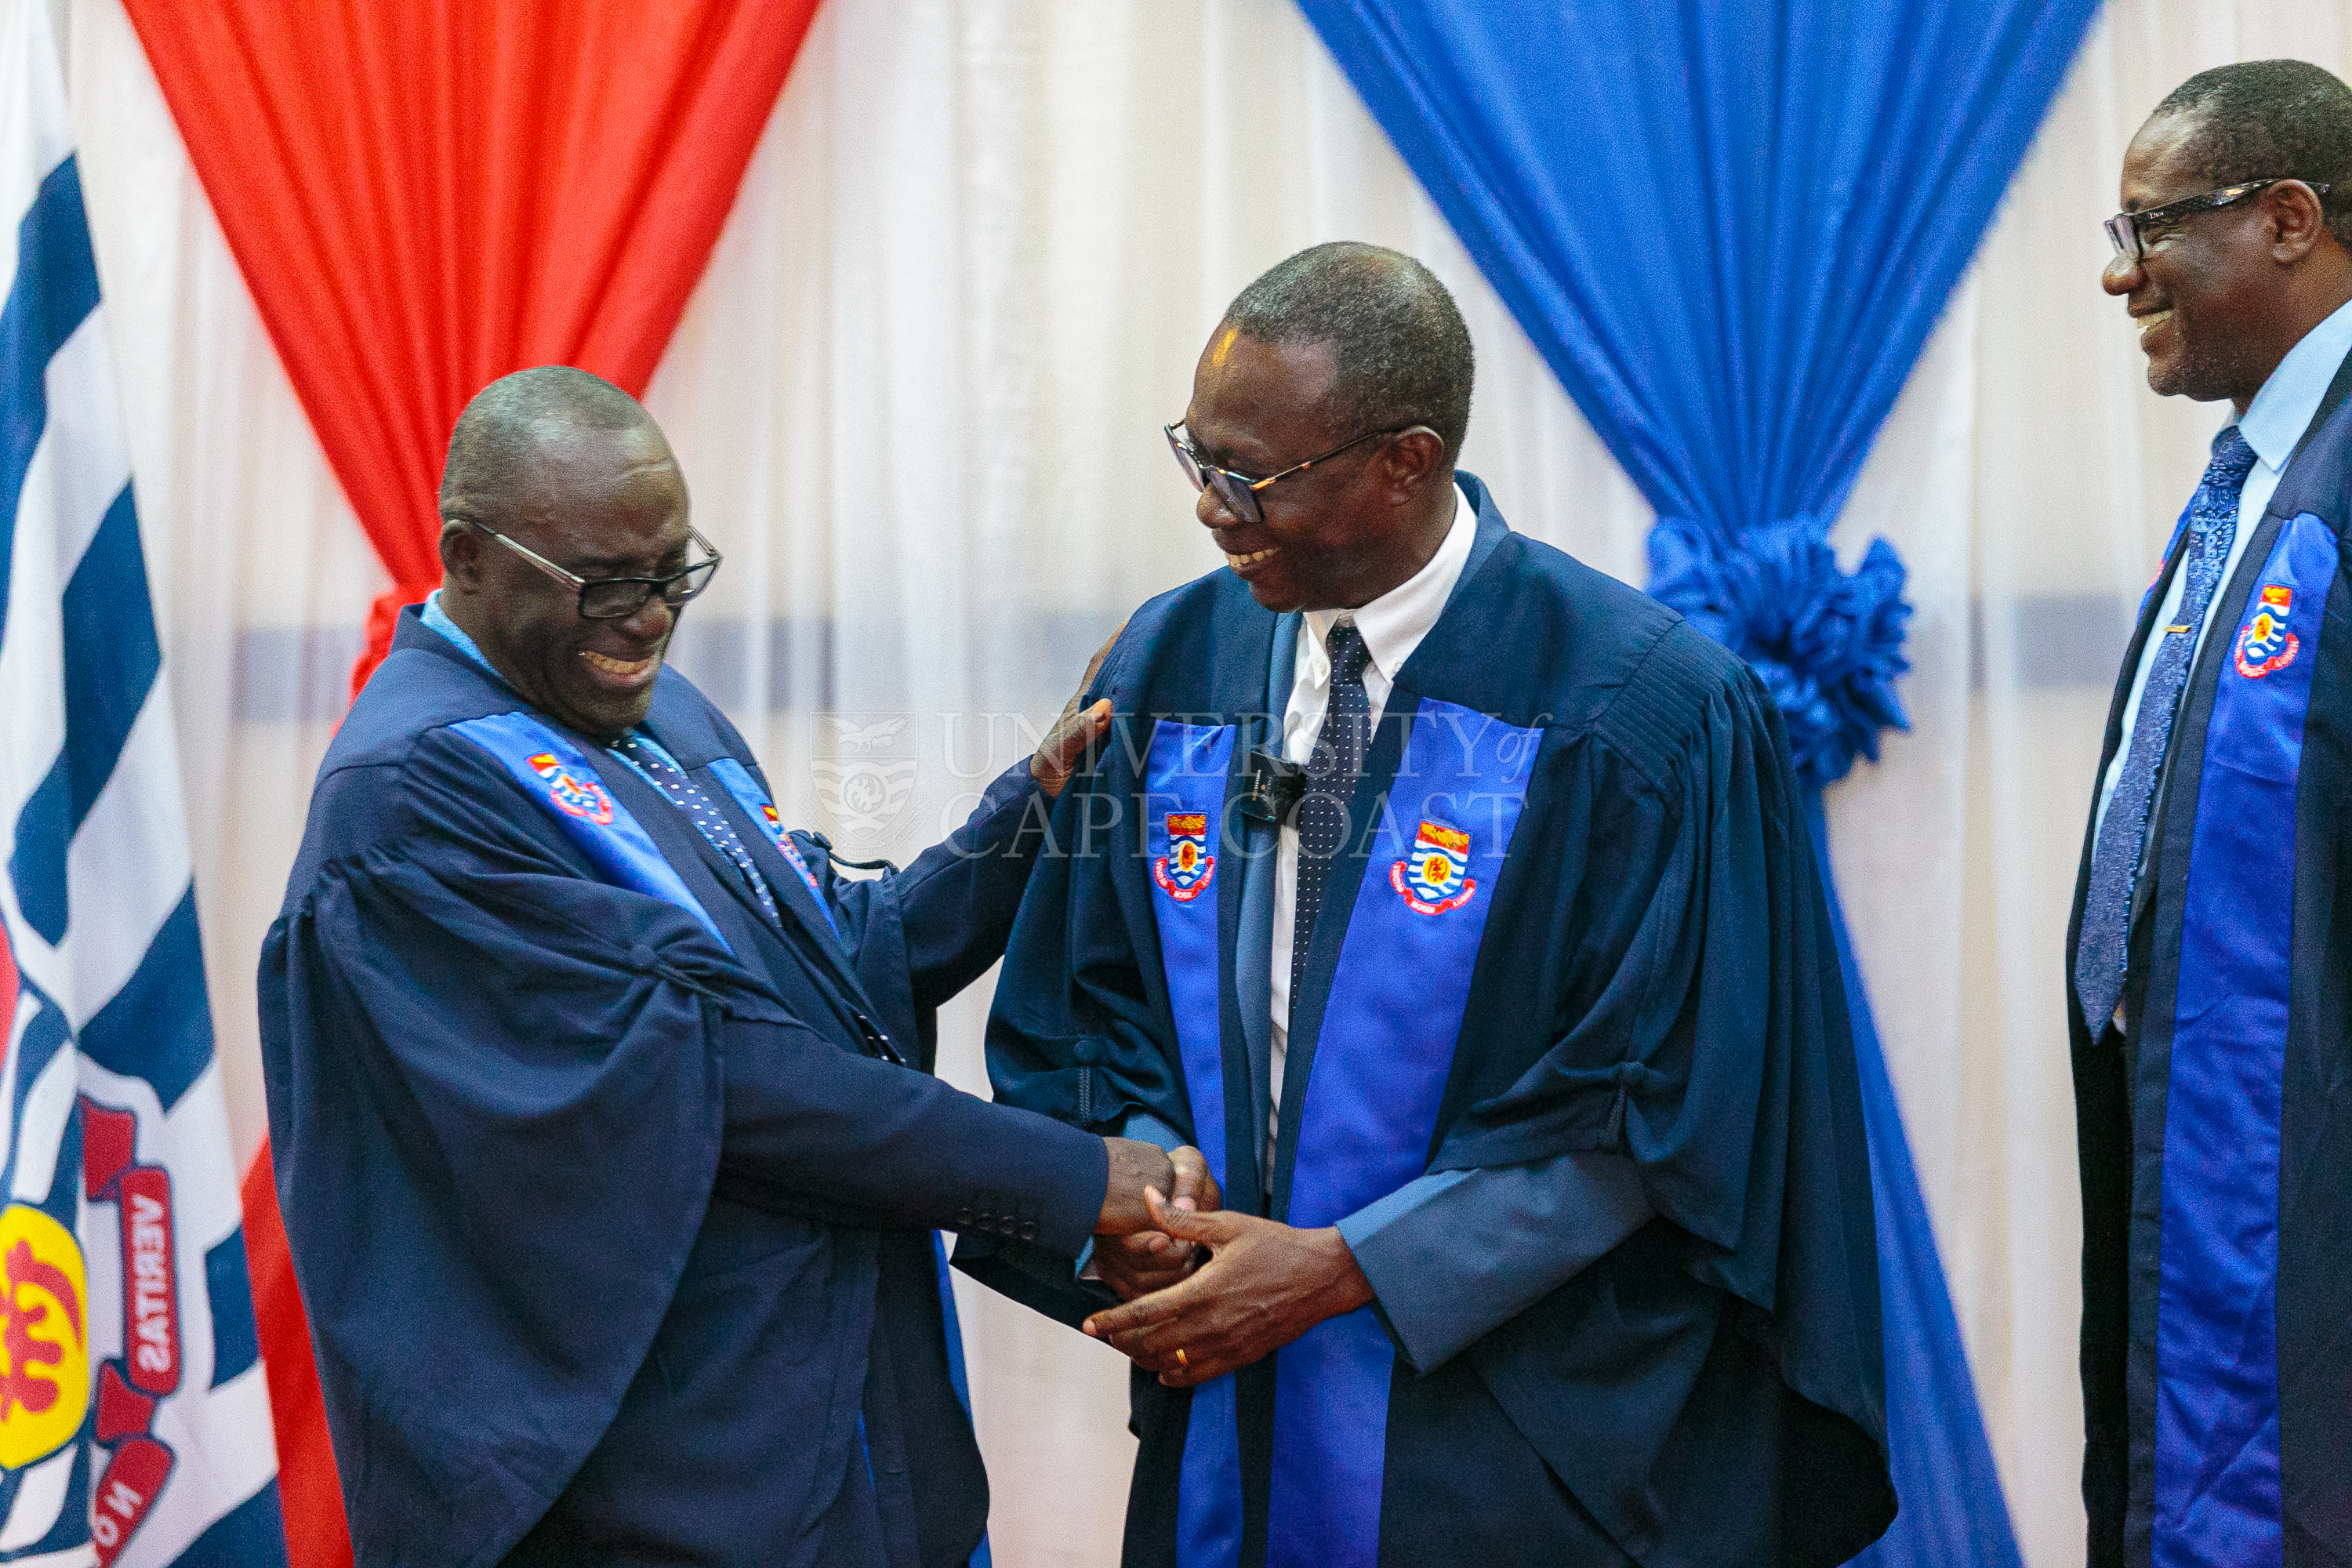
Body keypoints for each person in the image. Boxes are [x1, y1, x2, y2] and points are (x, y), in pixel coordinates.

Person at [957, 244, 1893, 1566]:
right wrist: (1147, 1183)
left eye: (1256, 479)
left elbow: (1671, 1099)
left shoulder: (1640, 709)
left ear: (1408, 459)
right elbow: (1094, 990)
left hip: (1508, 1432)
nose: (1217, 513)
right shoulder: (1176, 655)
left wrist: (1353, 1266)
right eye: (1199, 461)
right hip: (1227, 1405)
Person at [258, 366, 1207, 1567]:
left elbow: (833, 966)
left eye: (672, 572)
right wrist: (1073, 1180)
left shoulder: (648, 712)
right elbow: (725, 1078)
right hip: (663, 1486)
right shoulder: (412, 805)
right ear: (467, 556)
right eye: (606, 581)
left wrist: (1029, 814)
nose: (650, 617)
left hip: (840, 1429)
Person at [2071, 60, 2352, 1568]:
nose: (2121, 278)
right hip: (2200, 1131)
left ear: (2290, 218)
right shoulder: (2248, 481)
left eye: (2152, 228)